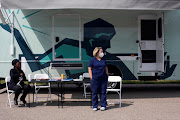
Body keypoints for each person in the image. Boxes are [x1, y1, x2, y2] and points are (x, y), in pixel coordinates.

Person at [88, 47, 109, 111]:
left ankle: (103, 105)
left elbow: (106, 67)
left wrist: (107, 74)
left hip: (103, 79)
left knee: (103, 92)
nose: (102, 53)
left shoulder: (103, 60)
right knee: (95, 92)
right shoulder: (92, 60)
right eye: (101, 52)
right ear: (97, 53)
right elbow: (89, 68)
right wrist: (91, 77)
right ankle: (95, 106)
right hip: (95, 79)